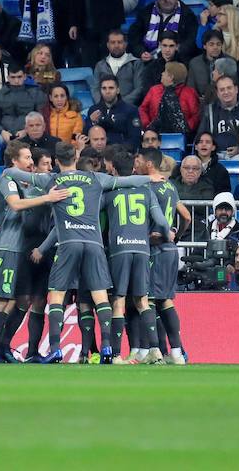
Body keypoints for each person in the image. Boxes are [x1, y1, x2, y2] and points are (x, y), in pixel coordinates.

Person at [4, 141, 162, 364]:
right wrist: (150, 178)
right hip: (94, 244)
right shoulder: (96, 178)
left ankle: (56, 349)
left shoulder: (51, 179)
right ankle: (107, 347)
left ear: (57, 161)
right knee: (100, 297)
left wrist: (8, 168)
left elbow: (13, 172)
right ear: (75, 158)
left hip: (68, 242)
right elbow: (127, 180)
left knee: (57, 297)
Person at [0, 141, 70, 363]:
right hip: (6, 246)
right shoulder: (8, 179)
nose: (31, 162)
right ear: (14, 161)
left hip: (19, 248)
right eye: (28, 158)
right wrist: (48, 198)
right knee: (3, 300)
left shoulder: (30, 184)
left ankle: (3, 348)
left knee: (13, 300)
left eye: (32, 158)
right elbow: (15, 205)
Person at [104, 150, 171, 364]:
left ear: (113, 169)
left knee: (118, 300)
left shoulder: (109, 193)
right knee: (142, 300)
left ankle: (115, 355)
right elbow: (161, 221)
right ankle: (156, 350)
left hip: (120, 250)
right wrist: (167, 231)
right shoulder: (146, 192)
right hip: (143, 249)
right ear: (133, 169)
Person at [135, 147, 192, 365]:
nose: (136, 163)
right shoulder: (170, 185)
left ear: (149, 163)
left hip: (155, 249)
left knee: (147, 299)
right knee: (165, 300)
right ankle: (176, 353)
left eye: (138, 159)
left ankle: (153, 350)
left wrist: (157, 236)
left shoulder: (147, 185)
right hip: (171, 251)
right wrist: (176, 237)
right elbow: (186, 216)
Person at [129, 0, 199, 64]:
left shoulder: (188, 15)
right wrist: (141, 52)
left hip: (177, 58)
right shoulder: (146, 12)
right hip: (148, 57)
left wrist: (175, 51)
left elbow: (191, 40)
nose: (167, 0)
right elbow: (134, 36)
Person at [15, 0, 71, 65]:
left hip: (64, 37)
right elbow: (31, 26)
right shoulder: (23, 0)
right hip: (39, 40)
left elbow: (69, 15)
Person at [0, 67, 47, 147]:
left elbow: (42, 118)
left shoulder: (36, 94)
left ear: (24, 76)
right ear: (8, 78)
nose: (16, 81)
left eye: (19, 77)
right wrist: (2, 132)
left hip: (29, 133)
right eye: (13, 77)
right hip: (4, 135)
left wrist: (26, 131)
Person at [139, 61, 200, 137]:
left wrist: (186, 127)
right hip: (154, 134)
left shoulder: (189, 93)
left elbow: (196, 115)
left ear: (171, 77)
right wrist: (147, 125)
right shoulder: (154, 90)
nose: (162, 73)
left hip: (181, 136)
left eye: (165, 72)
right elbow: (143, 109)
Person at [197, 75, 239, 155]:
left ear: (236, 89)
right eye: (222, 90)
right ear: (217, 93)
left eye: (229, 88)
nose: (226, 92)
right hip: (216, 155)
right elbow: (201, 136)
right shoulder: (210, 110)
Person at [85, 73, 142, 150]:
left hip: (121, 154)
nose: (107, 91)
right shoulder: (93, 110)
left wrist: (119, 152)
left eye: (111, 88)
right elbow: (86, 136)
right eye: (104, 88)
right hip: (98, 154)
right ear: (100, 90)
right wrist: (91, 122)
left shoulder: (131, 110)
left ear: (118, 90)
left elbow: (135, 138)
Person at [92, 30, 145, 106]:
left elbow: (139, 88)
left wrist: (121, 104)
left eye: (119, 42)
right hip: (105, 108)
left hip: (129, 108)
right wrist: (103, 104)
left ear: (125, 44)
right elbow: (95, 89)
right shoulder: (100, 65)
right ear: (108, 45)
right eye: (113, 42)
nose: (116, 45)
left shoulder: (136, 63)